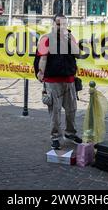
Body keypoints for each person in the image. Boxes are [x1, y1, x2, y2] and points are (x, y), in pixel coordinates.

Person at [36, 14, 82, 150]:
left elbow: (78, 54)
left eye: (64, 24)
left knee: (71, 110)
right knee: (55, 112)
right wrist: (40, 72)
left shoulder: (70, 37)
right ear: (53, 25)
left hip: (69, 80)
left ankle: (70, 133)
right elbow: (43, 58)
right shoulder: (46, 39)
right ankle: (55, 137)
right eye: (58, 24)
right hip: (52, 81)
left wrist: (70, 42)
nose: (61, 26)